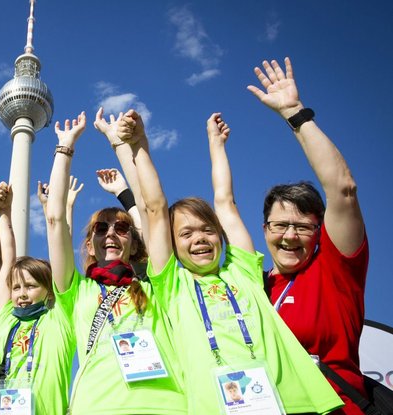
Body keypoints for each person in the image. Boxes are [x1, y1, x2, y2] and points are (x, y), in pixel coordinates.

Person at [135, 110, 342, 413]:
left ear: (220, 235)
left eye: (208, 229)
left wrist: (216, 144)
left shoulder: (241, 270)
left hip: (292, 402)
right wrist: (138, 143)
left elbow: (225, 201)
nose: (200, 239)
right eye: (186, 233)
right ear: (173, 244)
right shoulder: (171, 284)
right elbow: (154, 208)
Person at [248, 57, 369, 414]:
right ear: (264, 230)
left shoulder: (335, 270)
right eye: (279, 225)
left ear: (320, 232)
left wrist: (294, 113)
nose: (289, 236)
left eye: (302, 227)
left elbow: (343, 188)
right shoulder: (251, 283)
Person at [45, 111, 185, 414]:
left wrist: (126, 145)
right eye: (101, 228)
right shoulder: (76, 290)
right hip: (95, 407)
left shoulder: (159, 283)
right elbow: (55, 220)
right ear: (89, 244)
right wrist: (64, 148)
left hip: (167, 406)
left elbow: (153, 210)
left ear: (134, 243)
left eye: (121, 229)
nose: (111, 233)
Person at [0, 183, 75, 415]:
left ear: (50, 291)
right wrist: (4, 212)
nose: (22, 294)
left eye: (31, 286)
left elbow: (61, 250)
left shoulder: (60, 318)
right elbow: (8, 258)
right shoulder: (3, 318)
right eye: (16, 287)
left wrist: (51, 208)